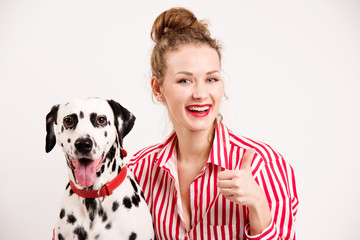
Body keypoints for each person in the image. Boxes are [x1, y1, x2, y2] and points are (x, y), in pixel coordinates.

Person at [127, 7, 298, 240]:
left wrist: (257, 203)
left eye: (211, 79)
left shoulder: (264, 165)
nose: (200, 93)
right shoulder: (139, 171)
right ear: (158, 89)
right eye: (184, 80)